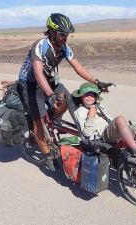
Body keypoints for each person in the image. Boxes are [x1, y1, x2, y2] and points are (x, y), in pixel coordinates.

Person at [18, 13, 109, 171]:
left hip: (49, 79)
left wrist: (96, 81)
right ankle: (47, 155)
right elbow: (38, 74)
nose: (65, 37)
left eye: (67, 34)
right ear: (51, 32)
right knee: (38, 121)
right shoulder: (40, 45)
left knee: (69, 98)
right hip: (30, 84)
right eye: (62, 34)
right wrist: (50, 94)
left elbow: (78, 67)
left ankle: (53, 118)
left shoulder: (63, 48)